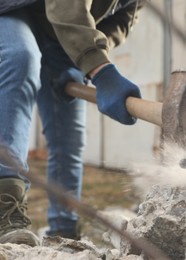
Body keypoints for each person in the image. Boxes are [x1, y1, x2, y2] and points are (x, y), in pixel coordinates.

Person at [0, 0, 143, 246]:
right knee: (21, 58)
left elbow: (120, 22)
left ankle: (63, 232)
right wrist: (100, 70)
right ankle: (5, 211)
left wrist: (85, 60)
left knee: (69, 134)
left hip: (62, 34)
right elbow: (64, 4)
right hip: (14, 9)